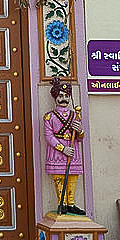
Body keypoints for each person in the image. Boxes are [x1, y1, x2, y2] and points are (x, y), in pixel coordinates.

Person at [43, 77, 85, 215]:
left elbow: (80, 137)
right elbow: (49, 136)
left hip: (73, 150)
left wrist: (80, 131)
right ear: (55, 97)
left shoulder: (74, 116)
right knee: (59, 178)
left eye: (66, 96)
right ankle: (62, 203)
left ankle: (71, 203)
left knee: (72, 177)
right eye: (60, 96)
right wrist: (63, 148)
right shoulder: (50, 117)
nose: (64, 99)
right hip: (58, 151)